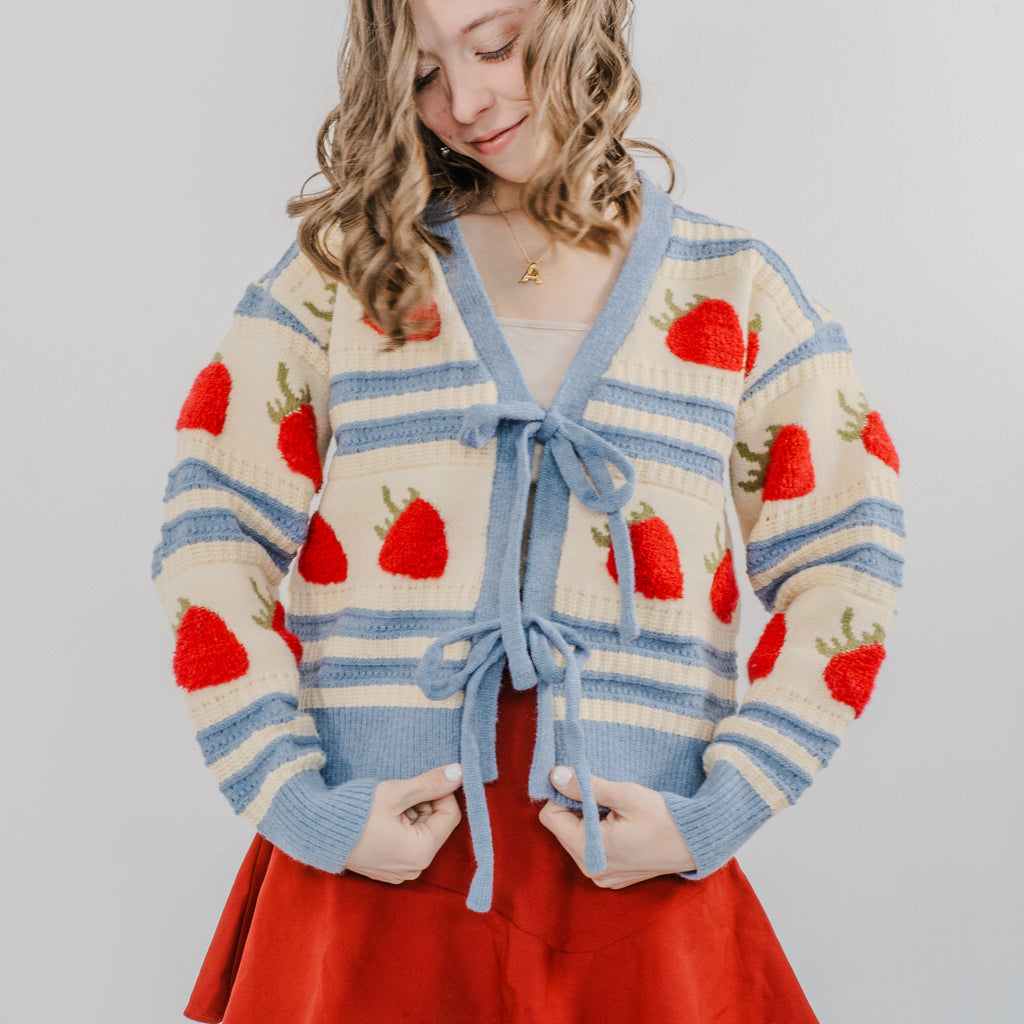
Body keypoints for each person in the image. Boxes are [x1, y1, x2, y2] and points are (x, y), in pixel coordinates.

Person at [153, 0, 904, 1020]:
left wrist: (722, 807)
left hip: (631, 866)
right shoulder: (344, 273)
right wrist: (294, 799)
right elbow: (212, 527)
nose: (462, 102)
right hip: (372, 859)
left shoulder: (736, 287)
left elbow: (847, 556)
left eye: (497, 45)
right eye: (420, 73)